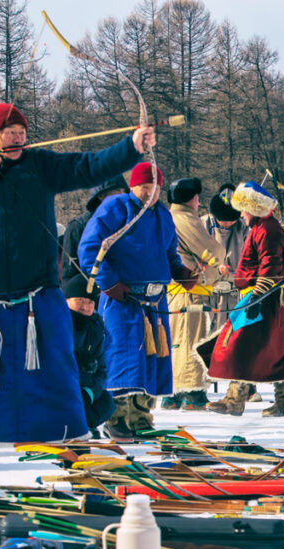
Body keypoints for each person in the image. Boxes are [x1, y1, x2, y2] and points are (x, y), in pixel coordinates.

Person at [0, 102, 152, 495]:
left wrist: (131, 147)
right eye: (10, 134)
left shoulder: (40, 165)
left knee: (60, 379)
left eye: (23, 133)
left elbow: (88, 165)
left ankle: (75, 461)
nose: (19, 139)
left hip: (38, 298)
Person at [78, 162, 196, 439]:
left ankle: (141, 416)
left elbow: (170, 254)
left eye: (155, 187)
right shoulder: (115, 207)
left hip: (155, 300)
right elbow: (90, 248)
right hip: (123, 298)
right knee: (121, 358)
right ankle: (115, 416)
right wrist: (108, 282)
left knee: (151, 360)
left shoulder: (163, 216)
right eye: (144, 186)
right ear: (133, 186)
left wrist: (180, 272)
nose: (150, 192)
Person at [197, 182, 284, 418]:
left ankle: (235, 401)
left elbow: (270, 267)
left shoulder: (267, 230)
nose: (241, 215)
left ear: (253, 208)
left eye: (243, 209)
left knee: (238, 346)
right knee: (271, 349)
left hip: (263, 298)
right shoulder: (265, 228)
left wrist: (257, 296)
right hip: (267, 298)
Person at [165, 177, 228, 410]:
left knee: (175, 341)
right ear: (192, 198)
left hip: (175, 289)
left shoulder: (169, 217)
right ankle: (191, 391)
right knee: (190, 340)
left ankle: (171, 393)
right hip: (189, 289)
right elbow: (211, 249)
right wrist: (217, 266)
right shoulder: (183, 219)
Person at [63, 273, 115, 438]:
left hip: (84, 387)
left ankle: (82, 425)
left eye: (90, 302)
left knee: (107, 402)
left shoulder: (95, 326)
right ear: (66, 300)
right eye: (80, 300)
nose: (85, 307)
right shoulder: (57, 323)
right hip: (60, 387)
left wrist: (89, 392)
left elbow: (101, 368)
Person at [60, 176, 128, 296]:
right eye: (118, 191)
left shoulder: (129, 223)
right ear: (101, 196)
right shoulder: (78, 226)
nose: (122, 196)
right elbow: (69, 275)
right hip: (89, 300)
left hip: (125, 293)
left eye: (124, 191)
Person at [204, 183, 248, 329]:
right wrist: (215, 267)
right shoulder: (204, 223)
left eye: (231, 220)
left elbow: (250, 256)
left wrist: (235, 273)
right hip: (208, 291)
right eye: (223, 219)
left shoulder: (243, 227)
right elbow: (196, 252)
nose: (227, 223)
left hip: (235, 291)